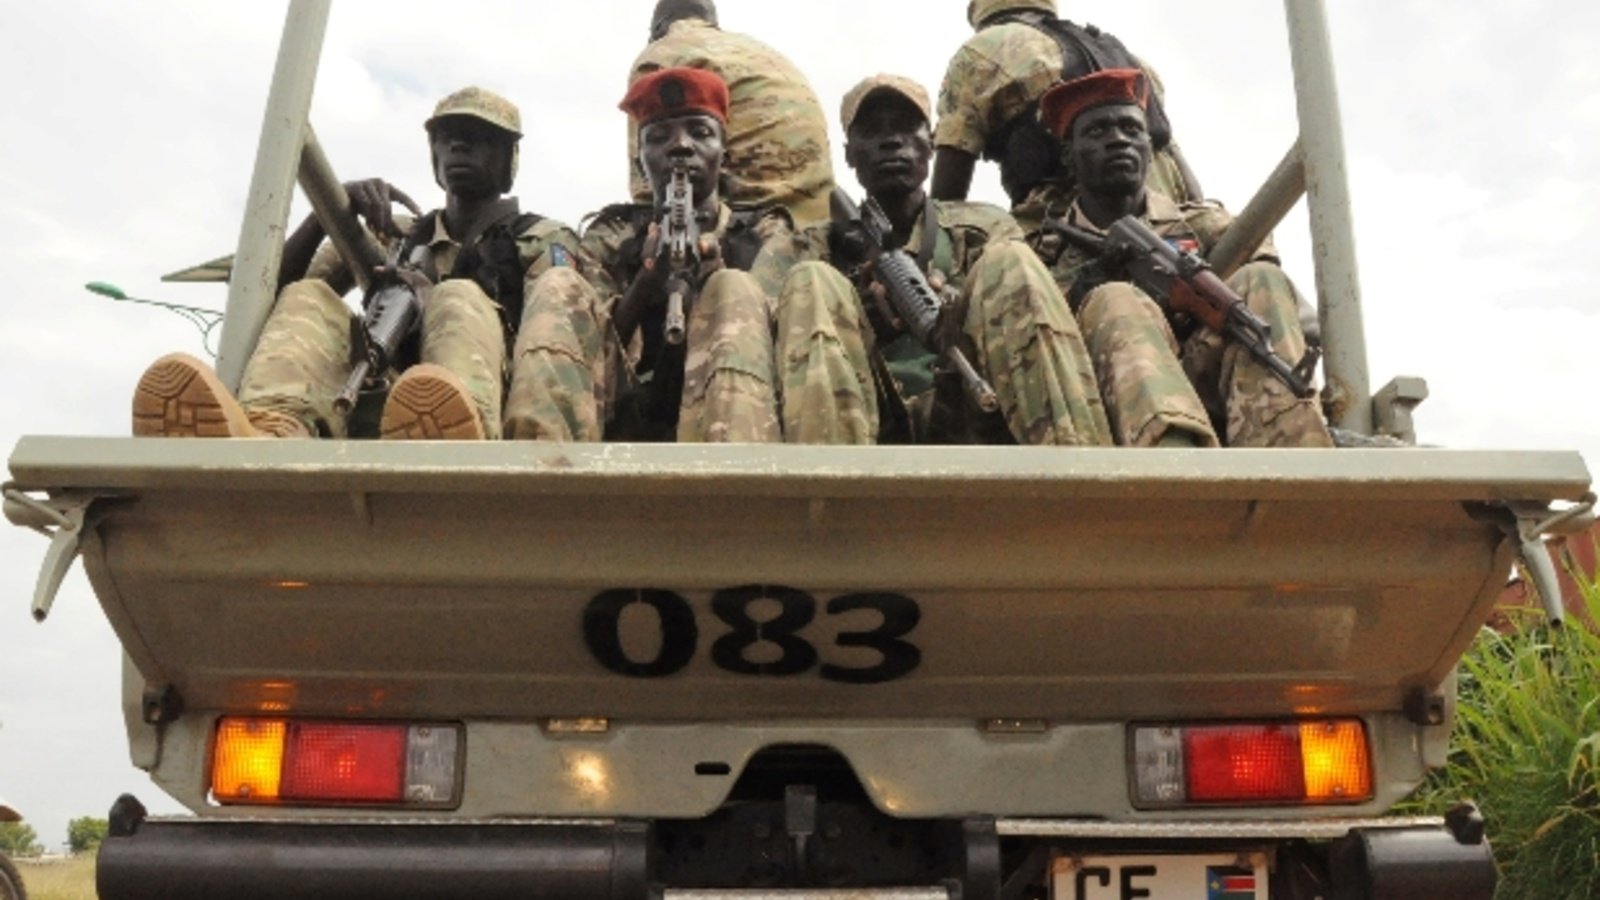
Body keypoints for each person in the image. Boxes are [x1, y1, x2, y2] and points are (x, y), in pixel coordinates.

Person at [131, 86, 582, 441]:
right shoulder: (399, 237)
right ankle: (274, 429)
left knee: (457, 297)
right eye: (448, 137)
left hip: (491, 396)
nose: (459, 146)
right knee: (307, 297)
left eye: (481, 138)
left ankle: (457, 434)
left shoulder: (539, 238)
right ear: (434, 153)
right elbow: (265, 297)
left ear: (507, 160)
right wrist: (329, 215)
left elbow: (557, 338)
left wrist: (438, 302)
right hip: (378, 390)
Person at [505, 67, 873, 444]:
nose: (680, 146)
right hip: (628, 415)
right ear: (640, 164)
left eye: (700, 133)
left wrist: (716, 279)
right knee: (557, 284)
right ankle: (541, 466)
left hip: (744, 412)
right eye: (660, 137)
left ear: (724, 156)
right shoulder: (612, 237)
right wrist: (646, 284)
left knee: (733, 287)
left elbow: (789, 342)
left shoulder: (766, 234)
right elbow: (585, 345)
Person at [1026, 68, 1331, 448]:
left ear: (1150, 150)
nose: (1118, 140)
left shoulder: (1205, 225)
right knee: (1116, 299)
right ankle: (1175, 462)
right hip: (1100, 408)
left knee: (1261, 278)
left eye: (1131, 129)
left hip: (1208, 380)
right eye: (1097, 131)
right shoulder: (1040, 256)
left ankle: (1292, 455)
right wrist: (1087, 289)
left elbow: (1299, 321)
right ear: (1069, 155)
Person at [822, 74, 1111, 446]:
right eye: (872, 131)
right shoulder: (810, 243)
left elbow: (1034, 309)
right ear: (848, 154)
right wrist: (855, 320)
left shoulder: (984, 227)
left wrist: (958, 312)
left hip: (968, 405)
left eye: (908, 129)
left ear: (931, 144)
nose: (892, 141)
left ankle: (1077, 472)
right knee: (812, 281)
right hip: (866, 417)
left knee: (1010, 261)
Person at [930, 0, 1200, 217]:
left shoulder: (980, 51)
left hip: (1068, 238)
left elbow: (947, 199)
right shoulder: (1131, 60)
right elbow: (1187, 183)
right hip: (1170, 227)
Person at [625, 0, 835, 227]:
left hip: (743, 225)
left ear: (658, 29)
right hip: (817, 218)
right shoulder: (762, 51)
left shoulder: (661, 53)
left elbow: (647, 187)